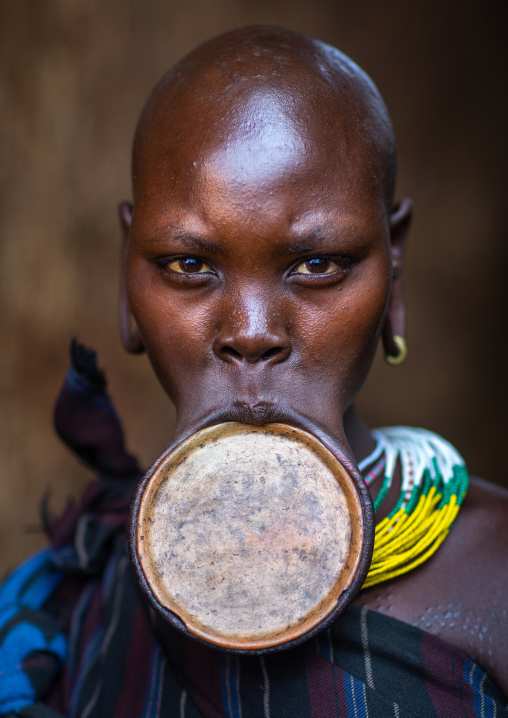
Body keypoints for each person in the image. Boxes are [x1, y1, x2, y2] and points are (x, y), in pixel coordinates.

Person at [0, 25, 506, 718]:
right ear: (127, 277)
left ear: (395, 268)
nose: (251, 332)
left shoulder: (497, 579)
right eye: (189, 266)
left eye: (318, 264)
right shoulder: (66, 600)